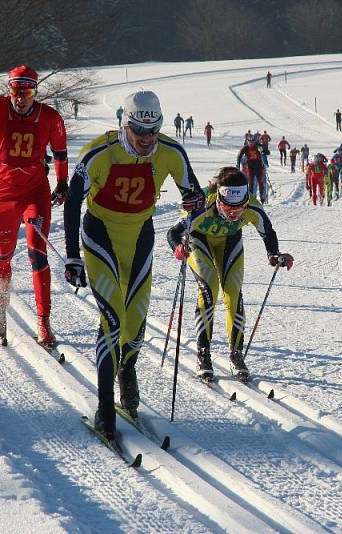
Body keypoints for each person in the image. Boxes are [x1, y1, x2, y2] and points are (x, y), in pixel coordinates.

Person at [63, 90, 205, 439]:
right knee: (112, 319)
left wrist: (190, 221)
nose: (146, 141)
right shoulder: (98, 152)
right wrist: (72, 255)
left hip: (140, 237)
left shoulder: (171, 152)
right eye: (139, 133)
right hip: (100, 237)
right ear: (124, 125)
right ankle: (104, 408)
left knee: (136, 324)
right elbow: (71, 202)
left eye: (153, 132)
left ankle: (127, 369)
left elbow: (197, 199)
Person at [0, 64, 69, 347]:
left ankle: (44, 321)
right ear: (9, 90)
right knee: (4, 256)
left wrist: (62, 182)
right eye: (16, 91)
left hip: (35, 191)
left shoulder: (49, 117)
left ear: (35, 92)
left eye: (28, 92)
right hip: (4, 193)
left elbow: (60, 152)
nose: (21, 98)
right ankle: (3, 285)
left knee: (38, 252)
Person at [166, 166, 294, 383]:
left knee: (233, 293)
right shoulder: (202, 204)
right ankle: (203, 355)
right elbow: (173, 232)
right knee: (209, 289)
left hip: (230, 241)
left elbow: (268, 232)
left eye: (240, 207)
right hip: (198, 240)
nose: (234, 213)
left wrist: (274, 255)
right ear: (218, 198)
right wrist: (178, 247)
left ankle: (236, 354)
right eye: (227, 206)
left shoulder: (253, 205)